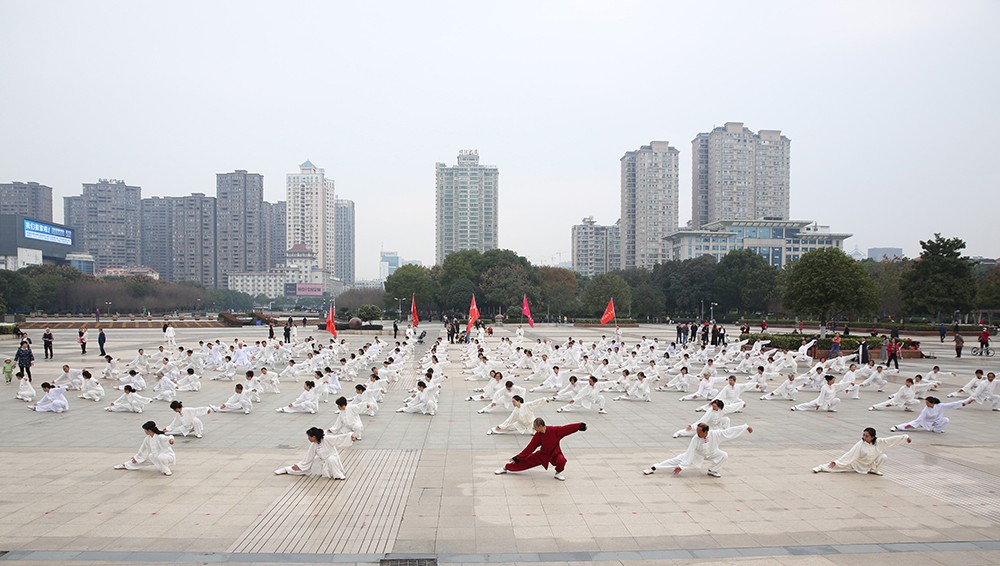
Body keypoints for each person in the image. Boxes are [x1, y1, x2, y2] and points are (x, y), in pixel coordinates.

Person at [643, 423, 753, 478]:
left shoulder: (715, 434)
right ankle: (654, 467)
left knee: (724, 455)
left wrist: (745, 427)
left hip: (712, 452)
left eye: (699, 432)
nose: (697, 433)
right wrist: (682, 466)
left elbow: (729, 432)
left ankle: (713, 470)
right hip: (697, 454)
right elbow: (690, 452)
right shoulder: (696, 438)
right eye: (697, 431)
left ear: (706, 432)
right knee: (675, 460)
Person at [494, 418, 586, 481]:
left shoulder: (555, 430)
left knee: (562, 460)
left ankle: (558, 473)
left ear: (541, 426)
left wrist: (580, 426)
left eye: (535, 427)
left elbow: (567, 428)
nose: (534, 429)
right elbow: (530, 448)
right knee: (525, 462)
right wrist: (517, 458)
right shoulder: (538, 435)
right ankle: (505, 468)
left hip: (555, 453)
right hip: (543, 455)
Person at [812, 427, 911, 475]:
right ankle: (820, 467)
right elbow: (850, 454)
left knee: (884, 457)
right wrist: (837, 462)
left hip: (870, 465)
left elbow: (891, 440)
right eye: (863, 435)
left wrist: (905, 437)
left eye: (866, 436)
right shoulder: (860, 444)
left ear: (872, 437)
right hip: (857, 465)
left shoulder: (879, 442)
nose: (864, 437)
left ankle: (874, 470)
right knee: (837, 467)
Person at [274, 427, 356, 479]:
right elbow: (308, 457)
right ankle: (287, 469)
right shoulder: (313, 445)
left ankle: (339, 475)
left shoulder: (327, 439)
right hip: (321, 461)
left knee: (331, 460)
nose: (308, 439)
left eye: (309, 437)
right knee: (307, 467)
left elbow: (338, 438)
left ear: (314, 436)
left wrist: (350, 436)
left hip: (331, 458)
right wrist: (299, 466)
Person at [891, 396, 969, 433]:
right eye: (926, 403)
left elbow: (951, 404)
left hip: (936, 421)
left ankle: (937, 430)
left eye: (928, 403)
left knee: (946, 420)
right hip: (925, 422)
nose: (926, 404)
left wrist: (963, 403)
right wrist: (911, 425)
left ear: (933, 403)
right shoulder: (926, 409)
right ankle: (896, 427)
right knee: (910, 426)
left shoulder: (940, 406)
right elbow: (919, 419)